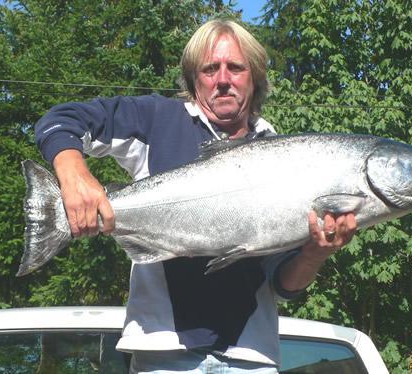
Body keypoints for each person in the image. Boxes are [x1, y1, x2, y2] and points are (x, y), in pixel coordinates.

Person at [35, 19, 356, 373]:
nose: (223, 79)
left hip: (252, 358)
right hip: (161, 352)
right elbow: (60, 120)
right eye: (209, 68)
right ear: (193, 78)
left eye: (235, 67)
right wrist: (74, 175)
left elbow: (283, 284)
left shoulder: (284, 156)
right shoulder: (156, 119)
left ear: (255, 77)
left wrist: (314, 254)